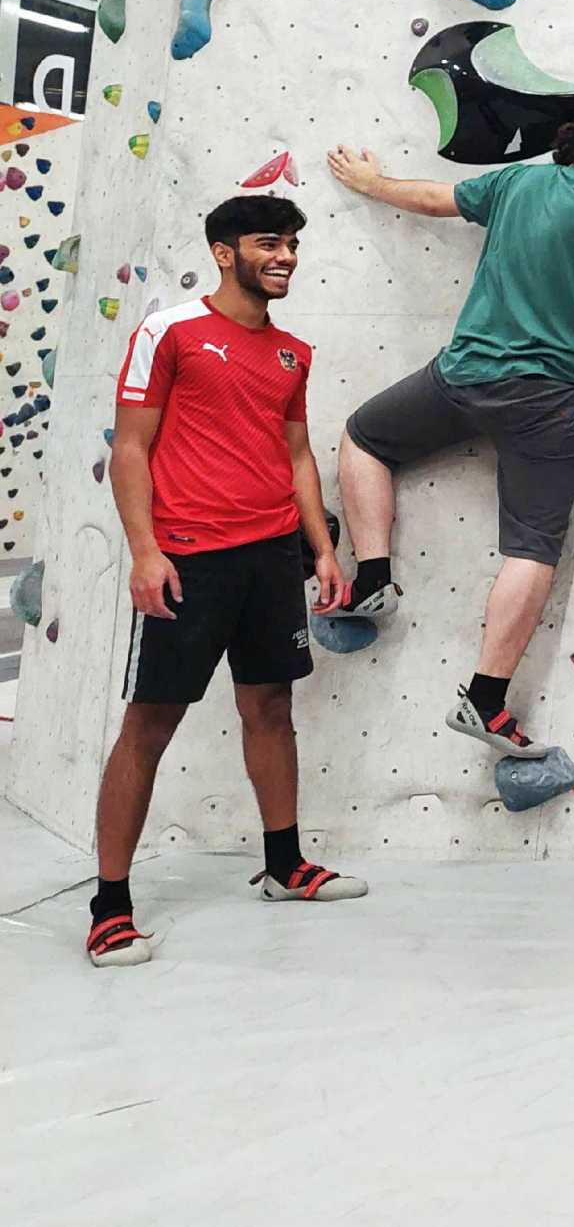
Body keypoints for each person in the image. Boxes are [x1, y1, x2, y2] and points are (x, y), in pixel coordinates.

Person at [327, 93, 574, 759]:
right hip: (547, 401)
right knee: (532, 548)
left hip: (463, 378)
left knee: (365, 440)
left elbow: (434, 198)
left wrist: (373, 185)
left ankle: (372, 579)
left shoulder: (517, 181)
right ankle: (485, 701)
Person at [87, 195, 364, 967]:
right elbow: (131, 449)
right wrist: (145, 551)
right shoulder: (169, 331)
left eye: (293, 246)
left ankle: (284, 864)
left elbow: (299, 455)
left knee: (271, 707)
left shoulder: (293, 353)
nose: (285, 258)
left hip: (273, 557)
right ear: (223, 251)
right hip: (188, 558)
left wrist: (323, 550)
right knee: (150, 724)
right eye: (269, 244)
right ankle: (110, 905)